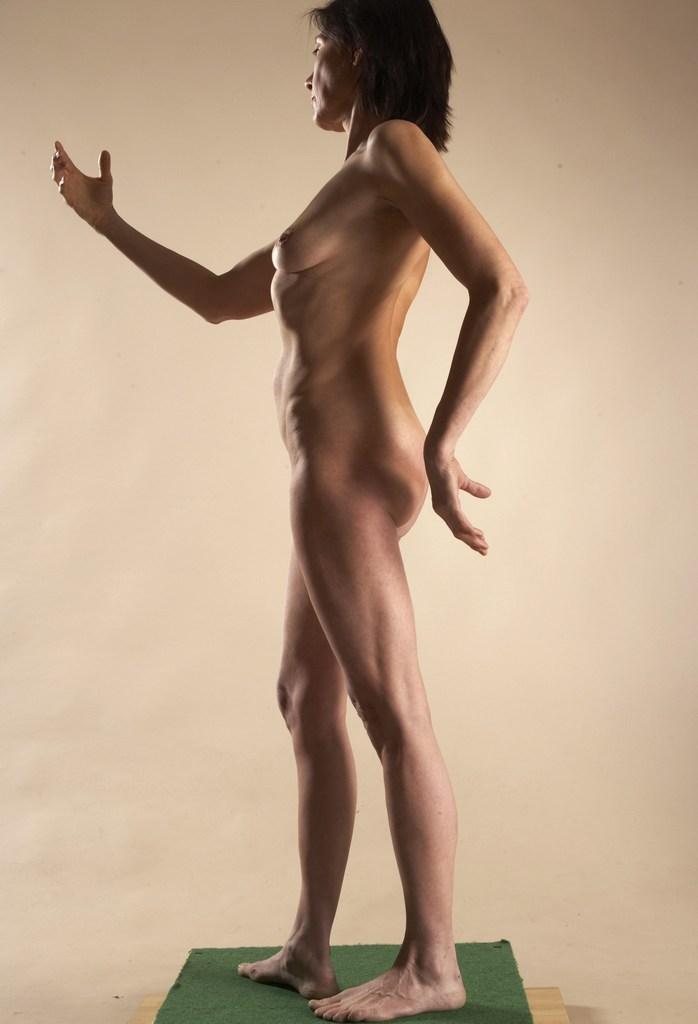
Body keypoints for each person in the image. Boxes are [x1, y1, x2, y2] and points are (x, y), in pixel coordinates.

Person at [50, 0, 528, 1019]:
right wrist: (107, 222)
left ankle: (432, 965)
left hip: (351, 466)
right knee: (305, 697)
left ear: (363, 51)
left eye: (316, 49)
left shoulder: (396, 149)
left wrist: (444, 443)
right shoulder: (352, 181)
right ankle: (311, 948)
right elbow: (220, 297)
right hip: (327, 471)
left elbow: (501, 286)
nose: (305, 71)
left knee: (392, 712)